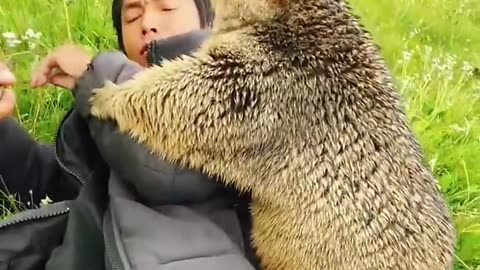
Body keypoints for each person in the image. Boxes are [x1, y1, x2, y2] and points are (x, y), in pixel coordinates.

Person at [0, 0, 258, 269]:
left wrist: (96, 77)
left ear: (210, 22)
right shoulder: (108, 118)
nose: (147, 24)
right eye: (132, 16)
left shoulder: (240, 87)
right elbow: (54, 186)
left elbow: (170, 165)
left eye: (167, 8)